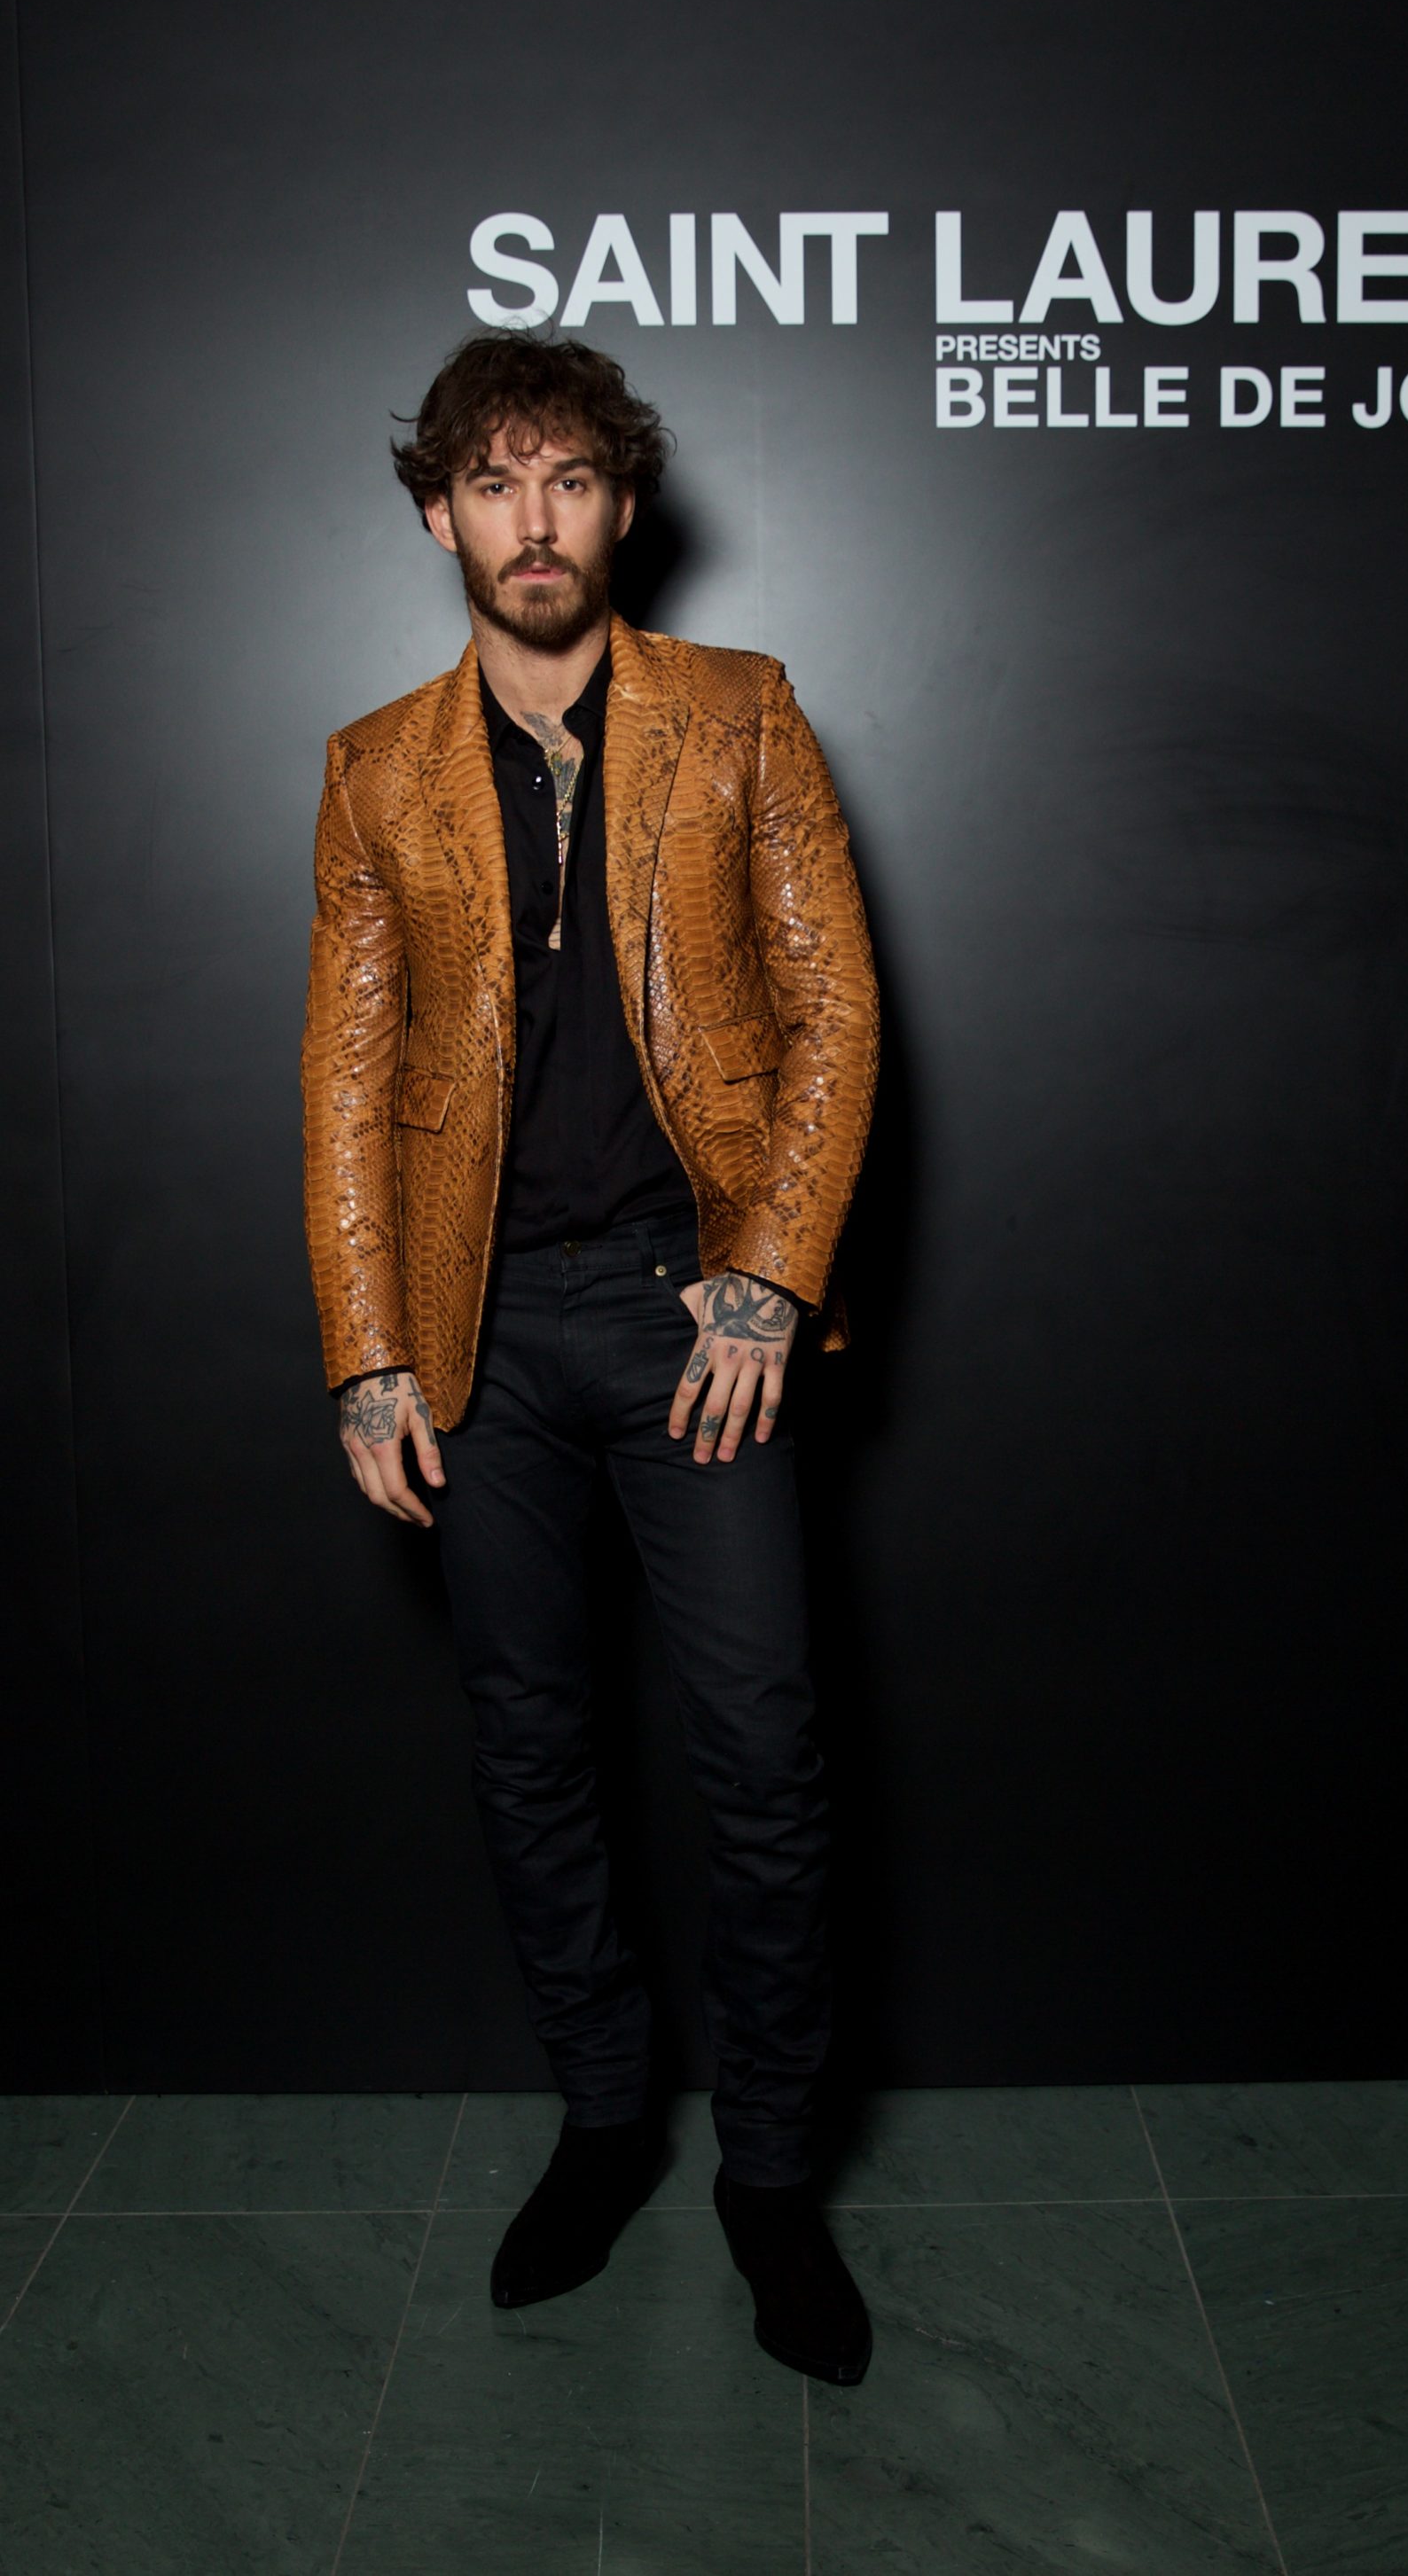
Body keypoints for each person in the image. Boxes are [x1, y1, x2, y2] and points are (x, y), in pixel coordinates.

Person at [299, 329, 880, 2387]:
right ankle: (611, 2119)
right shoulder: (376, 767)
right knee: (531, 1753)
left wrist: (767, 1281)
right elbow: (346, 1077)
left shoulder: (741, 712)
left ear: (621, 506)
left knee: (761, 1752)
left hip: (684, 1318)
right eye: (492, 482)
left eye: (566, 480)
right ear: (437, 515)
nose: (530, 521)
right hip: (479, 1339)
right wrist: (368, 1353)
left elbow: (833, 1013)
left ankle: (773, 2178)